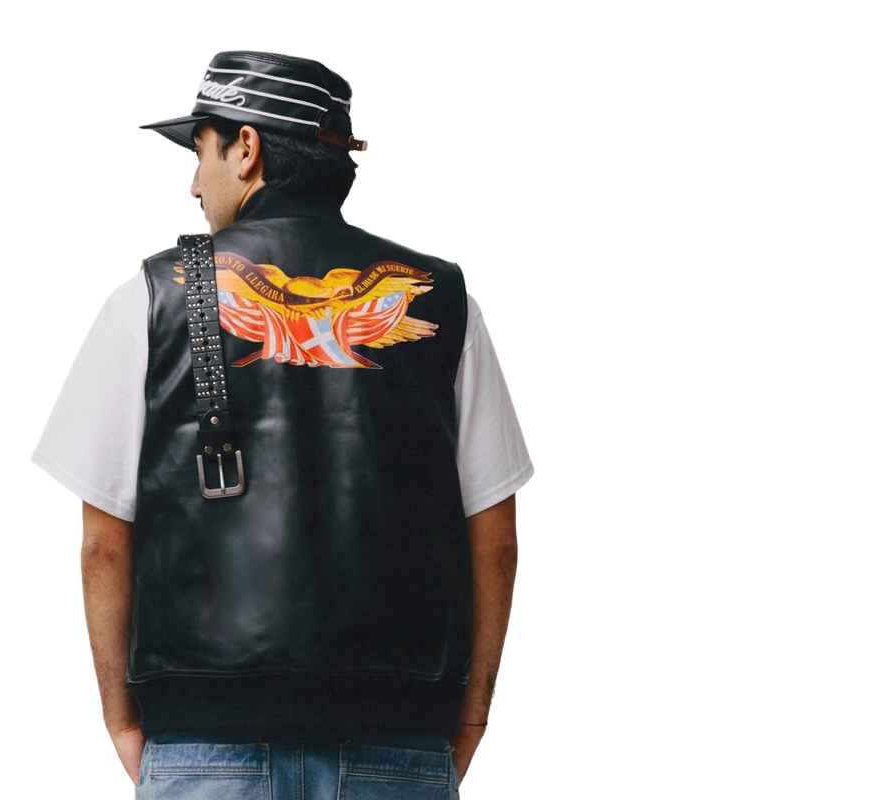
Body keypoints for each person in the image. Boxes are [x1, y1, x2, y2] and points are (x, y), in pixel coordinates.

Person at [31, 50, 535, 798]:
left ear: (246, 149)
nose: (193, 184)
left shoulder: (152, 296)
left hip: (204, 747)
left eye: (200, 151)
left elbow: (104, 544)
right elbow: (494, 538)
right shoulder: (442, 297)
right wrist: (468, 719)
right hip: (399, 743)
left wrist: (122, 719)